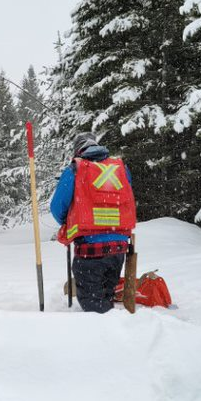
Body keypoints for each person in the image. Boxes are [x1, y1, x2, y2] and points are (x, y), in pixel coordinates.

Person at [50, 133, 136, 313]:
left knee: (94, 306)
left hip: (90, 249)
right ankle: (113, 330)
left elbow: (58, 207)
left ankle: (107, 336)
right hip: (118, 247)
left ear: (78, 151)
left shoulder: (76, 168)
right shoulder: (120, 168)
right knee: (106, 295)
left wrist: (68, 220)